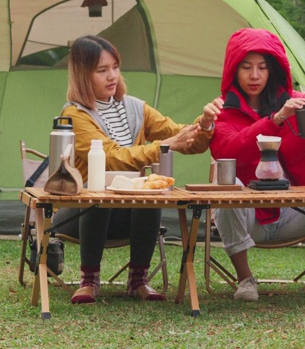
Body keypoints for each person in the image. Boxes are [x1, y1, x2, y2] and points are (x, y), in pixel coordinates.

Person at [55, 35, 217, 304]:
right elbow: (112, 157)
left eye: (116, 67)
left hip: (129, 213)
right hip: (81, 213)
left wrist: (205, 124)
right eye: (102, 70)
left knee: (149, 195)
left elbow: (182, 136)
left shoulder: (135, 107)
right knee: (99, 194)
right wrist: (164, 146)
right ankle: (89, 280)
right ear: (83, 74)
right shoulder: (75, 114)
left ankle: (138, 281)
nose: (112, 76)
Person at [209, 28, 305, 302]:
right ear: (234, 70)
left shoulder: (298, 102)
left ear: (273, 71)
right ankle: (245, 280)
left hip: (296, 215)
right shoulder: (223, 110)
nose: (254, 76)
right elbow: (227, 150)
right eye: (246, 67)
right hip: (250, 218)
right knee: (225, 187)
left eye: (262, 68)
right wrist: (276, 119)